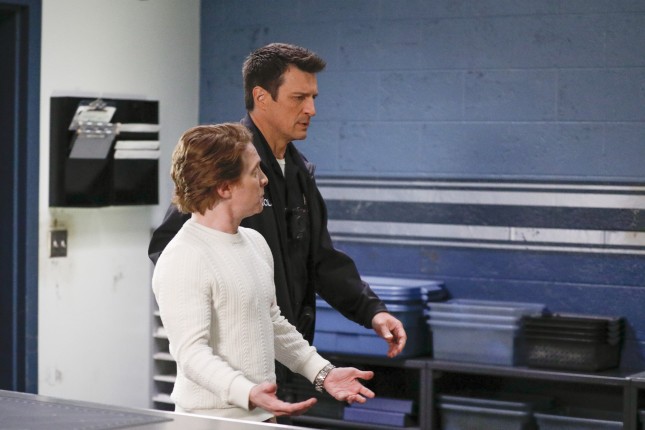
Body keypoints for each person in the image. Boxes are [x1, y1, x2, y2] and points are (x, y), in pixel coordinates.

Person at [149, 42, 407, 360]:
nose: (311, 109)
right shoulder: (225, 161)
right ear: (261, 97)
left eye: (313, 98)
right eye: (298, 98)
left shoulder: (299, 173)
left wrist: (372, 312)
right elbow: (167, 247)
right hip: (233, 360)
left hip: (290, 350)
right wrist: (224, 318)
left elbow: (322, 260)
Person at [152, 123, 375, 422]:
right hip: (210, 422)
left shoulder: (255, 242)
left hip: (262, 415)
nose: (265, 179)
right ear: (224, 187)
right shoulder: (183, 257)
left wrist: (322, 373)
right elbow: (191, 354)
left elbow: (273, 324)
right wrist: (246, 392)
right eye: (254, 171)